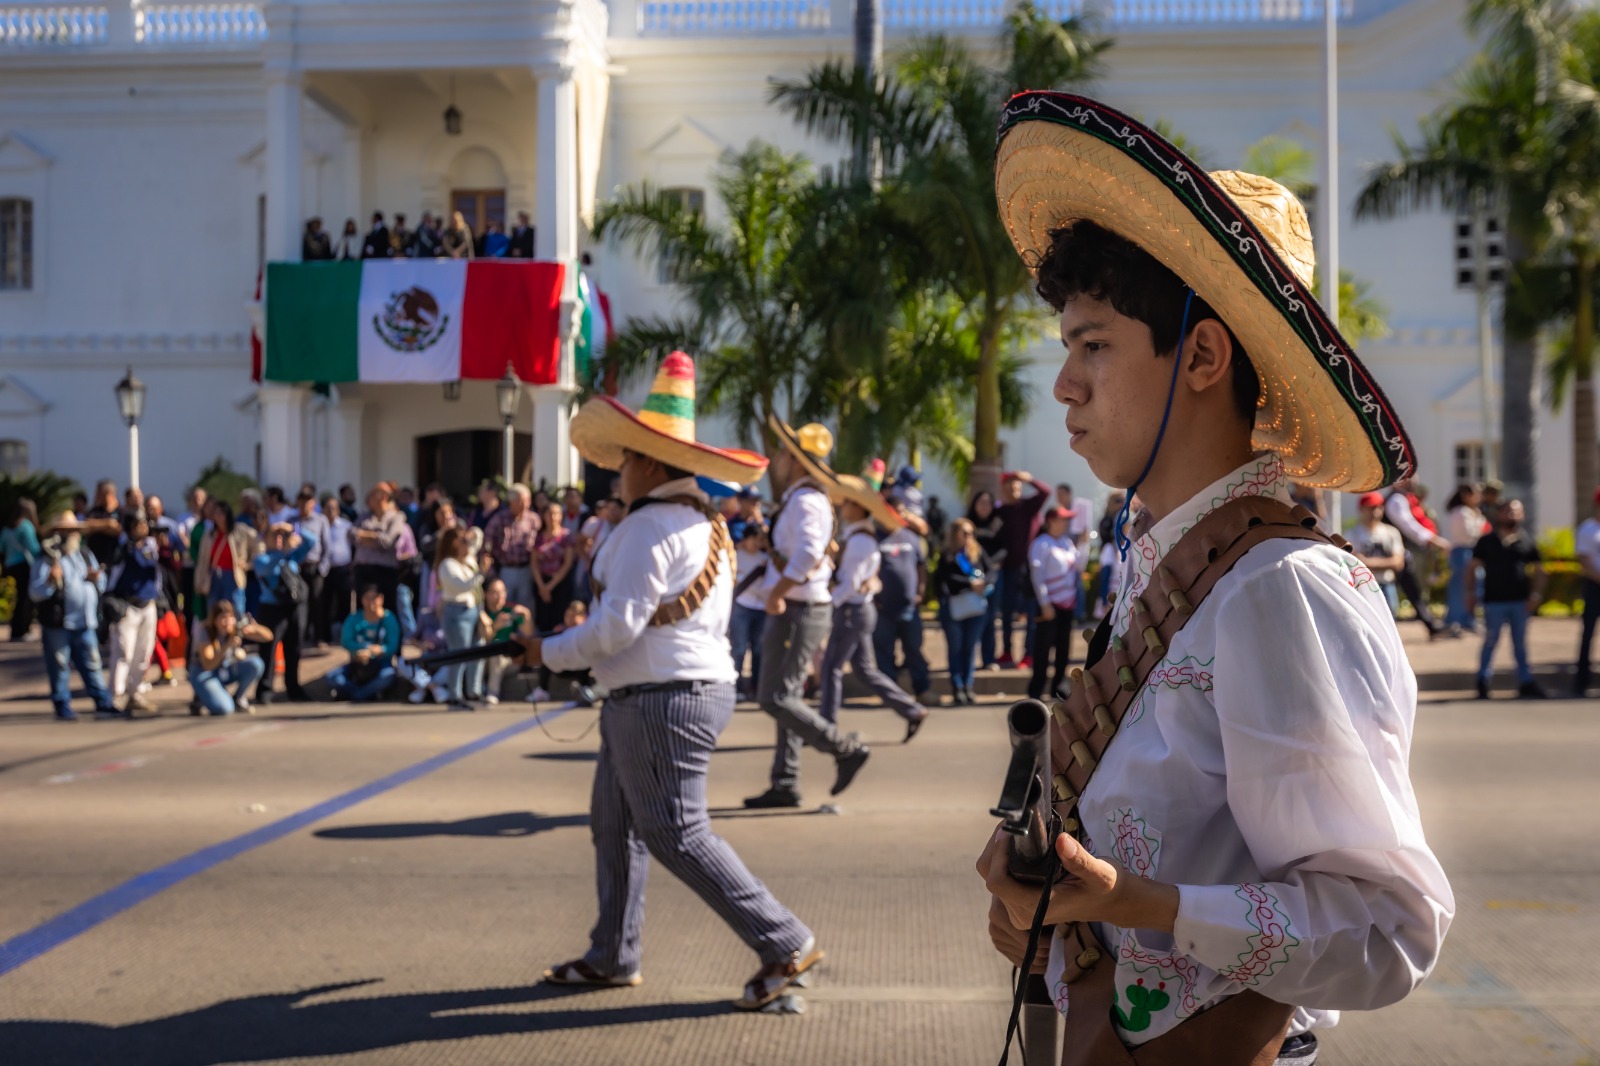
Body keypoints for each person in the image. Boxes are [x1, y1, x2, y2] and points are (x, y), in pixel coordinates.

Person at [977, 95, 1451, 1062]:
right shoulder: (1164, 559)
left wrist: (1137, 903)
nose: (1066, 384)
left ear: (1200, 353)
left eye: (1095, 344)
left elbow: (1385, 929)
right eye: (1066, 347)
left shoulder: (1281, 591)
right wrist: (1059, 910)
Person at [524, 352, 823, 1008]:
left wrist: (544, 650)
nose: (619, 471)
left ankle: (784, 939)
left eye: (626, 460)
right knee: (615, 823)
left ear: (651, 464)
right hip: (667, 694)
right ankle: (612, 953)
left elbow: (612, 632)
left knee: (676, 833)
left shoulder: (647, 526)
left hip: (660, 701)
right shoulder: (703, 522)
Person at [745, 419, 872, 809]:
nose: (780, 459)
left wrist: (777, 593)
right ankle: (785, 780)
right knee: (788, 695)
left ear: (798, 461)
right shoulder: (804, 498)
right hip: (801, 606)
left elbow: (807, 554)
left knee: (775, 697)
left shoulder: (805, 500)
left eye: (786, 453)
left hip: (798, 608)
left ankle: (844, 748)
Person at [816, 477, 928, 741]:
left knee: (831, 667)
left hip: (851, 611)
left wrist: (826, 604)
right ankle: (911, 709)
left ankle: (826, 727)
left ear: (857, 509)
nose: (843, 508)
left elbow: (851, 584)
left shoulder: (859, 540)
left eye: (848, 504)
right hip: (859, 611)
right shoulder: (860, 536)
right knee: (865, 670)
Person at [30, 513, 120, 721]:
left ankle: (102, 701)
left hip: (85, 621)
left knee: (92, 663)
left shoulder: (84, 555)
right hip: (59, 623)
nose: (72, 535)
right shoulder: (46, 559)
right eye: (67, 531)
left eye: (74, 531)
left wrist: (96, 579)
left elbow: (101, 582)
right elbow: (35, 592)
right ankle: (62, 703)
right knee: (60, 665)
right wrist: (51, 582)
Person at [1467, 499, 1546, 700]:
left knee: (1520, 644)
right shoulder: (1487, 541)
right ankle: (1482, 681)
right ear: (1499, 514)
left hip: (1520, 601)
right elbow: (1471, 568)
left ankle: (1525, 681)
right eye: (1508, 511)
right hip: (1494, 601)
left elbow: (1539, 571)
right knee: (1490, 641)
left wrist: (1535, 595)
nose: (1512, 515)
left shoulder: (1526, 540)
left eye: (1516, 512)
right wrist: (1469, 595)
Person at [873, 489, 931, 704]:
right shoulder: (873, 537)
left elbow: (921, 567)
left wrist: (920, 592)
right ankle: (891, 696)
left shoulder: (910, 537)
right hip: (882, 609)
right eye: (893, 512)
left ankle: (923, 690)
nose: (898, 517)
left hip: (909, 607)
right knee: (884, 653)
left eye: (901, 512)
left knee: (914, 650)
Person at [253, 522, 315, 704]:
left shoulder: (292, 557)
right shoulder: (262, 559)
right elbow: (268, 567)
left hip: (294, 607)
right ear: (265, 539)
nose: (280, 539)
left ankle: (294, 688)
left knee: (294, 648)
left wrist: (293, 528)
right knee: (268, 649)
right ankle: (264, 689)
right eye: (275, 535)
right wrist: (283, 552)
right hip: (272, 608)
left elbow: (312, 541)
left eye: (282, 536)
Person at [106, 513, 161, 716]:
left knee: (143, 652)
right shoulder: (123, 547)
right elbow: (114, 571)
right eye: (139, 525)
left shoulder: (151, 546)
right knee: (123, 652)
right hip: (127, 605)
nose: (143, 528)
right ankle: (115, 696)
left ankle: (135, 692)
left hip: (148, 604)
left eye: (145, 524)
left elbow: (157, 572)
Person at [994, 470, 1051, 669]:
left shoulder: (1028, 506)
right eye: (1010, 485)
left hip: (1029, 570)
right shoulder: (999, 512)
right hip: (1007, 570)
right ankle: (1007, 652)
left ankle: (1029, 654)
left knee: (1031, 614)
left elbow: (1045, 492)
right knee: (1007, 613)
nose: (1014, 488)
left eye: (1017, 485)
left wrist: (1030, 479)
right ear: (1003, 489)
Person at [935, 518, 992, 706]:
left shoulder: (977, 553)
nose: (969, 537)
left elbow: (992, 571)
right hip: (955, 608)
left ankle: (968, 686)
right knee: (956, 649)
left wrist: (984, 583)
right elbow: (946, 579)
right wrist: (970, 584)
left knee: (970, 648)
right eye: (965, 533)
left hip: (976, 608)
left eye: (971, 533)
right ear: (955, 534)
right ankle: (957, 687)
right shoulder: (948, 555)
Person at [1026, 506, 1079, 701]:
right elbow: (1037, 576)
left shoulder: (1066, 542)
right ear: (1051, 521)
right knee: (1043, 648)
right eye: (1062, 519)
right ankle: (1036, 688)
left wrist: (1083, 543)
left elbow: (1078, 566)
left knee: (1063, 648)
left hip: (1067, 603)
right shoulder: (1041, 544)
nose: (1066, 523)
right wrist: (1045, 603)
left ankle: (1058, 685)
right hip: (1050, 604)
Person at [1384, 477, 1448, 638]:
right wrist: (1434, 540)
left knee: (1411, 590)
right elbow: (1409, 526)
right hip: (1388, 555)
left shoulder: (1402, 498)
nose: (1415, 482)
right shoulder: (1397, 499)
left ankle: (1431, 624)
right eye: (1411, 478)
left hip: (1398, 553)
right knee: (1390, 592)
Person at [435, 526, 485, 709]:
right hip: (456, 612)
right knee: (459, 654)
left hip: (473, 609)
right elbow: (462, 586)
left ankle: (474, 690)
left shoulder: (467, 560)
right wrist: (481, 574)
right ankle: (455, 694)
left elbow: (477, 539)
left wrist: (472, 533)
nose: (467, 545)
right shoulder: (447, 565)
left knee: (477, 652)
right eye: (462, 541)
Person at [327, 585, 401, 703]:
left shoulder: (389, 619)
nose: (371, 602)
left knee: (388, 676)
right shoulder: (354, 618)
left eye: (374, 598)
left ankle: (359, 695)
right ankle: (365, 694)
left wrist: (379, 650)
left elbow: (393, 646)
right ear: (362, 599)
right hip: (357, 663)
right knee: (332, 677)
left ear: (381, 599)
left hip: (381, 663)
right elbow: (346, 641)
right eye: (367, 598)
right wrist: (362, 650)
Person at [191, 600, 266, 716]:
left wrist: (253, 627)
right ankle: (201, 696)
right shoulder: (205, 631)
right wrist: (228, 645)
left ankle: (238, 698)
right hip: (204, 673)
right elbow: (208, 665)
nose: (227, 622)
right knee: (225, 708)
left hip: (224, 670)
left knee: (256, 664)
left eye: (231, 617)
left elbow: (268, 636)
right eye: (223, 618)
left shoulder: (234, 629)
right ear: (214, 619)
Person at [193, 500, 257, 621]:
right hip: (214, 576)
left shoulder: (240, 530)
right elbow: (202, 559)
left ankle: (236, 637)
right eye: (216, 514)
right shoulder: (210, 534)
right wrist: (200, 578)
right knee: (214, 610)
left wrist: (250, 564)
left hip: (233, 575)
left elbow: (259, 543)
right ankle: (215, 638)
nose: (218, 517)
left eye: (221, 513)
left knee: (235, 609)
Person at [1347, 491, 1407, 617]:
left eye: (1378, 507)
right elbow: (1352, 564)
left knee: (1390, 624)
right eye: (1370, 508)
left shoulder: (1391, 532)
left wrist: (1367, 562)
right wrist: (1386, 563)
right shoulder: (1351, 534)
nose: (1375, 512)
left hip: (1386, 584)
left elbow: (1398, 563)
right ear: (1361, 509)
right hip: (1363, 585)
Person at [482, 483, 540, 610]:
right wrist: (490, 570)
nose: (525, 504)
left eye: (527, 500)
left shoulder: (534, 519)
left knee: (525, 605)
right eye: (521, 501)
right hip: (506, 569)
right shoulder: (499, 519)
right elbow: (486, 544)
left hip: (527, 568)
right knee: (504, 604)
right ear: (511, 501)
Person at [728, 522, 769, 701]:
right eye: (755, 539)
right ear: (747, 539)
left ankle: (755, 687)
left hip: (760, 608)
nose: (758, 543)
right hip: (741, 607)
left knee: (759, 650)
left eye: (761, 540)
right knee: (738, 648)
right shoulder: (735, 556)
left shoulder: (765, 559)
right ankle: (735, 687)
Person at [352, 483, 407, 611]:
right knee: (363, 607)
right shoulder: (364, 517)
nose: (367, 500)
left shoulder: (397, 517)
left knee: (386, 607)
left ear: (383, 497)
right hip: (363, 570)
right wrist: (378, 536)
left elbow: (388, 541)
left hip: (384, 571)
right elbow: (352, 534)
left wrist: (366, 535)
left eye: (371, 496)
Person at [966, 489, 1005, 669]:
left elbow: (1004, 549)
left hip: (991, 576)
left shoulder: (998, 523)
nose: (984, 506)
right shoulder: (967, 524)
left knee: (989, 619)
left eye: (988, 503)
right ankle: (969, 660)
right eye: (980, 502)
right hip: (969, 577)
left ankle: (988, 659)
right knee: (970, 618)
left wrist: (991, 565)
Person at [478, 577, 532, 705]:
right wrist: (496, 626)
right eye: (495, 592)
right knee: (492, 654)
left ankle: (492, 692)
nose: (500, 596)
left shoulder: (511, 610)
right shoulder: (482, 612)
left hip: (509, 660)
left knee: (498, 656)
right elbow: (483, 639)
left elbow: (529, 634)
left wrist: (527, 615)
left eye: (502, 591)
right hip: (485, 658)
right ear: (486, 594)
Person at [1444, 482, 1487, 634]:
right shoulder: (1461, 512)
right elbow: (1471, 534)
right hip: (1462, 551)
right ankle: (1455, 620)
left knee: (1476, 586)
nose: (1479, 497)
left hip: (1473, 551)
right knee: (1460, 586)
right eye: (1476, 493)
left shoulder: (1474, 512)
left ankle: (1469, 618)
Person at [290, 490, 330, 646]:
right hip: (297, 567)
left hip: (315, 566)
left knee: (317, 602)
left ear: (313, 503)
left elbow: (327, 546)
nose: (304, 505)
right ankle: (301, 636)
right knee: (300, 602)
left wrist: (322, 568)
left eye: (307, 501)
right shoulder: (293, 521)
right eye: (301, 501)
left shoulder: (320, 520)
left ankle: (319, 637)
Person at [533, 500, 577, 634]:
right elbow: (534, 563)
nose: (553, 517)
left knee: (559, 619)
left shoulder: (566, 536)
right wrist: (542, 586)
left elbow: (568, 563)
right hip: (542, 582)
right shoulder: (539, 537)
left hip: (560, 583)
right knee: (542, 620)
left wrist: (550, 586)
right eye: (550, 513)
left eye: (556, 513)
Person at [3, 499, 41, 641]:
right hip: (24, 566)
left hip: (10, 565)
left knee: (18, 599)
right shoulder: (26, 526)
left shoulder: (8, 528)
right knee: (26, 599)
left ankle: (16, 629)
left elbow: (2, 547)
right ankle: (23, 629)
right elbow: (34, 548)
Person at [320, 493, 355, 644]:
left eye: (334, 508)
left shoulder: (346, 526)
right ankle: (324, 636)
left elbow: (353, 545)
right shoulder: (320, 524)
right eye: (328, 508)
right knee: (325, 603)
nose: (331, 511)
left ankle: (345, 634)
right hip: (326, 569)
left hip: (343, 569)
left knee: (345, 603)